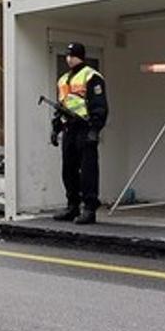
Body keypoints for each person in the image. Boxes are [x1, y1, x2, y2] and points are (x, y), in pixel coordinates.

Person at [50, 42, 108, 224]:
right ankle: (72, 206)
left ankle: (90, 208)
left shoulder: (92, 76)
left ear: (80, 56)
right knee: (68, 170)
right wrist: (56, 127)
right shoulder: (62, 80)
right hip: (69, 129)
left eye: (72, 55)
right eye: (67, 55)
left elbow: (99, 106)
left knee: (88, 170)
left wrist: (95, 129)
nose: (68, 59)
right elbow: (61, 106)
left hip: (85, 128)